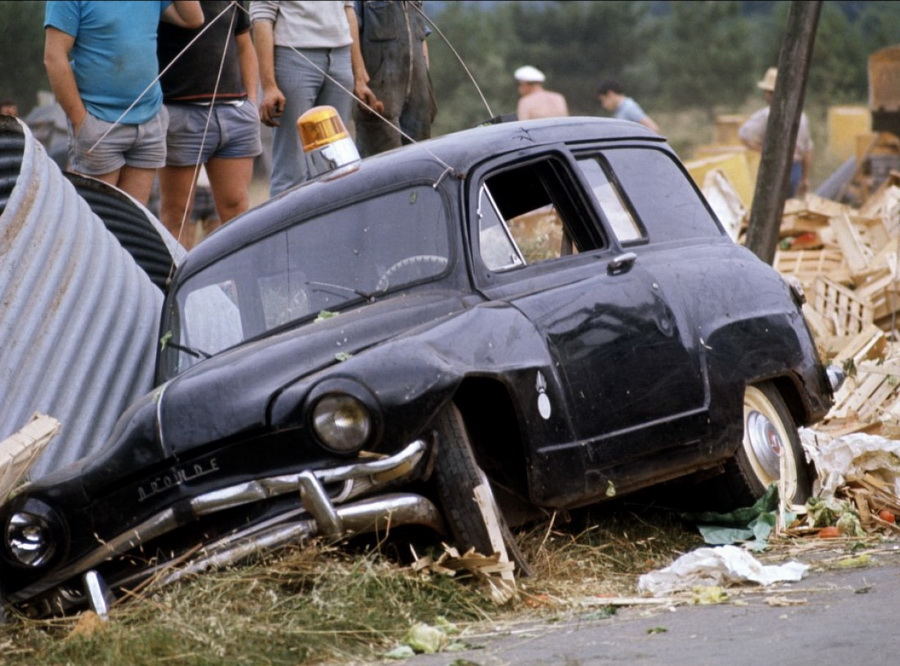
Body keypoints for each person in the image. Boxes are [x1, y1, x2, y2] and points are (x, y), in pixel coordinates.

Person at [43, 1, 203, 206]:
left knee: (133, 216)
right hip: (98, 121)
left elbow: (192, 18)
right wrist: (81, 121)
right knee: (98, 215)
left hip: (149, 118)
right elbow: (54, 57)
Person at [157, 0, 261, 249]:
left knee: (236, 207)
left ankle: (238, 272)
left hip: (234, 111)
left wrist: (251, 102)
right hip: (181, 111)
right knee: (177, 213)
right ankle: (177, 273)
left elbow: (245, 45)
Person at [251, 1, 356, 197]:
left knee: (338, 163)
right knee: (292, 167)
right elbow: (262, 15)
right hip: (293, 54)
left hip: (341, 53)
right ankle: (287, 216)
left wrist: (359, 75)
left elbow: (348, 8)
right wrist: (269, 86)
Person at [351, 0, 437, 157]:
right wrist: (359, 79)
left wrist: (425, 78)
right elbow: (350, 29)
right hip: (379, 90)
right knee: (382, 159)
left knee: (421, 158)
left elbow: (421, 36)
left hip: (418, 92)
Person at [739, 67, 814, 198]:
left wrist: (764, 150)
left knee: (770, 204)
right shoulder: (802, 116)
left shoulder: (766, 115)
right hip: (795, 168)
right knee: (788, 206)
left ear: (769, 93)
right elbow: (807, 151)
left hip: (774, 168)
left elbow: (743, 135)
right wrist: (805, 178)